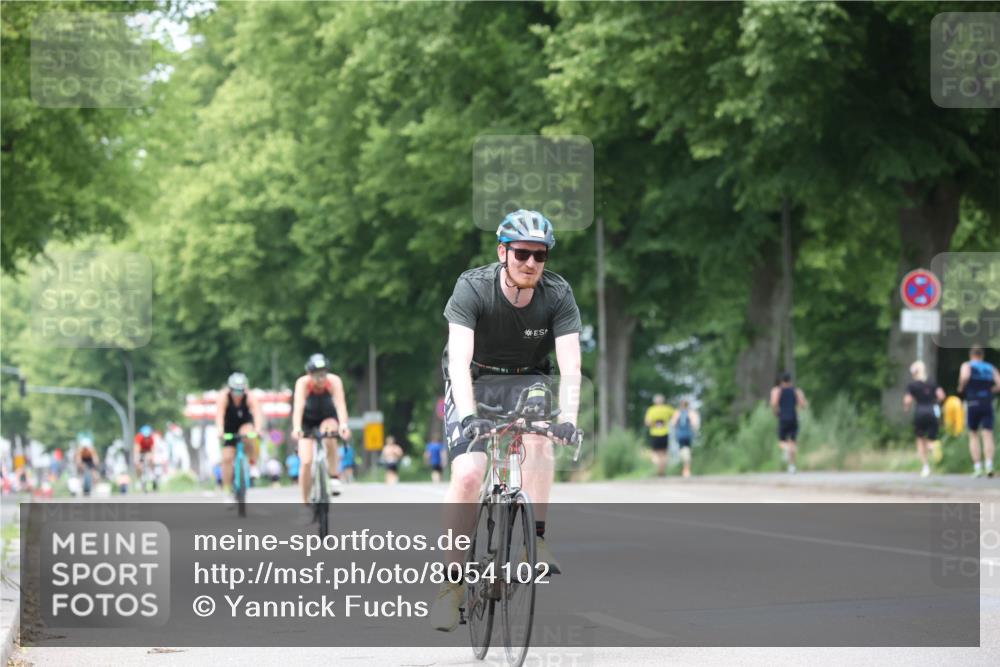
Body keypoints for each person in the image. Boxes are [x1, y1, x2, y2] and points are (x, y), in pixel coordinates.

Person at [430, 209, 583, 632]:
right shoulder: (472, 287)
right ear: (503, 252)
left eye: (540, 255)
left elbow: (570, 366)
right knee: (468, 474)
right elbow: (458, 360)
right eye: (522, 254)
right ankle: (452, 583)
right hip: (474, 380)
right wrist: (470, 418)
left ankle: (535, 539)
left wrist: (567, 419)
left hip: (528, 381)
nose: (531, 263)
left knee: (540, 439)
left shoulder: (557, 293)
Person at [292, 353, 352, 505]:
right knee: (306, 461)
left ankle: (333, 476)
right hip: (307, 421)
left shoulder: (334, 381)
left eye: (324, 374)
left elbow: (340, 404)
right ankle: (305, 502)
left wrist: (344, 425)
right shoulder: (303, 383)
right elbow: (298, 406)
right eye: (317, 375)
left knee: (330, 434)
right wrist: (297, 427)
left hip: (327, 417)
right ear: (309, 374)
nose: (321, 378)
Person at [215, 372, 265, 497]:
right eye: (235, 391)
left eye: (241, 391)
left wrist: (258, 429)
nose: (238, 395)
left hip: (245, 423)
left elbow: (257, 413)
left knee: (247, 433)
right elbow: (219, 415)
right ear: (230, 389)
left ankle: (252, 464)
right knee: (227, 458)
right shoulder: (224, 397)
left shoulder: (250, 396)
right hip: (229, 428)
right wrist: (220, 430)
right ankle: (227, 490)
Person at [957, 346, 1000, 478]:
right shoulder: (990, 367)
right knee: (988, 434)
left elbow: (965, 376)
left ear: (971, 355)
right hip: (987, 402)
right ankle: (989, 465)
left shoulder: (967, 365)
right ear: (982, 355)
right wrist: (989, 392)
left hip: (973, 402)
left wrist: (961, 387)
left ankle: (977, 467)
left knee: (973, 434)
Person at [903, 360, 945, 478]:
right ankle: (933, 446)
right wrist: (935, 402)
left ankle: (925, 467)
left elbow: (907, 400)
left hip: (920, 412)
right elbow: (941, 395)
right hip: (932, 411)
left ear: (914, 372)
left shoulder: (912, 385)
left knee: (920, 440)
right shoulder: (932, 382)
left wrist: (906, 408)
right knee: (931, 438)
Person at [770, 372, 808, 473]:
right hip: (794, 417)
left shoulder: (777, 391)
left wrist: (775, 412)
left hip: (782, 417)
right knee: (793, 443)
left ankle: (786, 450)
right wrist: (797, 409)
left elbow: (774, 403)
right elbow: (803, 404)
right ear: (790, 381)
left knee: (782, 441)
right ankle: (792, 466)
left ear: (781, 381)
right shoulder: (797, 391)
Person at [644, 394, 675, 476]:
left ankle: (658, 466)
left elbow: (647, 422)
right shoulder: (667, 409)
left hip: (655, 434)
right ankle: (662, 471)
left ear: (655, 402)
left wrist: (653, 424)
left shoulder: (651, 410)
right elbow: (675, 415)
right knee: (664, 453)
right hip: (665, 433)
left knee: (655, 453)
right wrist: (670, 422)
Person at [670, 399, 701, 478]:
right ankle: (686, 469)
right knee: (687, 450)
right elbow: (695, 424)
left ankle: (685, 469)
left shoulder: (677, 413)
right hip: (688, 435)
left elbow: (673, 424)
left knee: (683, 451)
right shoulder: (691, 413)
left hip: (680, 435)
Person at [133, 425, 158, 490]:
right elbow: (137, 449)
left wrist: (152, 457)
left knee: (151, 460)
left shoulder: (151, 438)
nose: (146, 438)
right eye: (145, 437)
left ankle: (153, 475)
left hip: (148, 451)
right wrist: (137, 459)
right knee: (138, 466)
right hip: (140, 451)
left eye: (148, 436)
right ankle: (139, 479)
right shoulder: (138, 437)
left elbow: (152, 449)